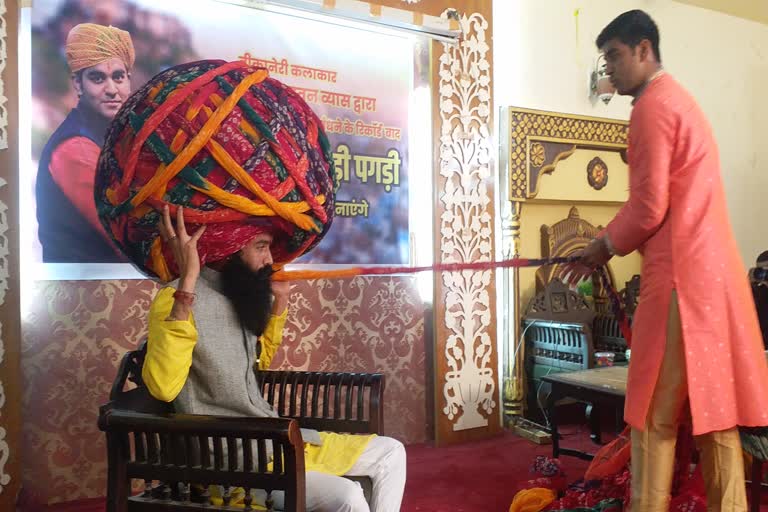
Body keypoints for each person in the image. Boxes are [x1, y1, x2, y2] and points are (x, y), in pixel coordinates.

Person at [567, 9, 768, 512]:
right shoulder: (682, 101)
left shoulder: (653, 106)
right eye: (604, 58)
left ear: (643, 50)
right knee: (716, 419)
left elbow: (649, 207)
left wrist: (603, 245)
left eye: (614, 55)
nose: (608, 68)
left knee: (652, 419)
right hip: (710, 279)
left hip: (680, 282)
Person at [141, 205, 407, 512]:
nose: (270, 260)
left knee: (392, 452)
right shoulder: (174, 298)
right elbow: (163, 387)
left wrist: (279, 302)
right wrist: (187, 286)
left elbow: (253, 366)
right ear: (228, 249)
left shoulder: (239, 294)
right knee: (347, 496)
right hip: (230, 464)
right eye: (261, 247)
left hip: (277, 444)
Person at [36, 23, 134, 262]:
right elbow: (126, 237)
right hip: (81, 290)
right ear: (78, 84)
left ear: (128, 80)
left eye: (118, 77)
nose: (112, 89)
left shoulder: (114, 135)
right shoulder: (74, 147)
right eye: (98, 78)